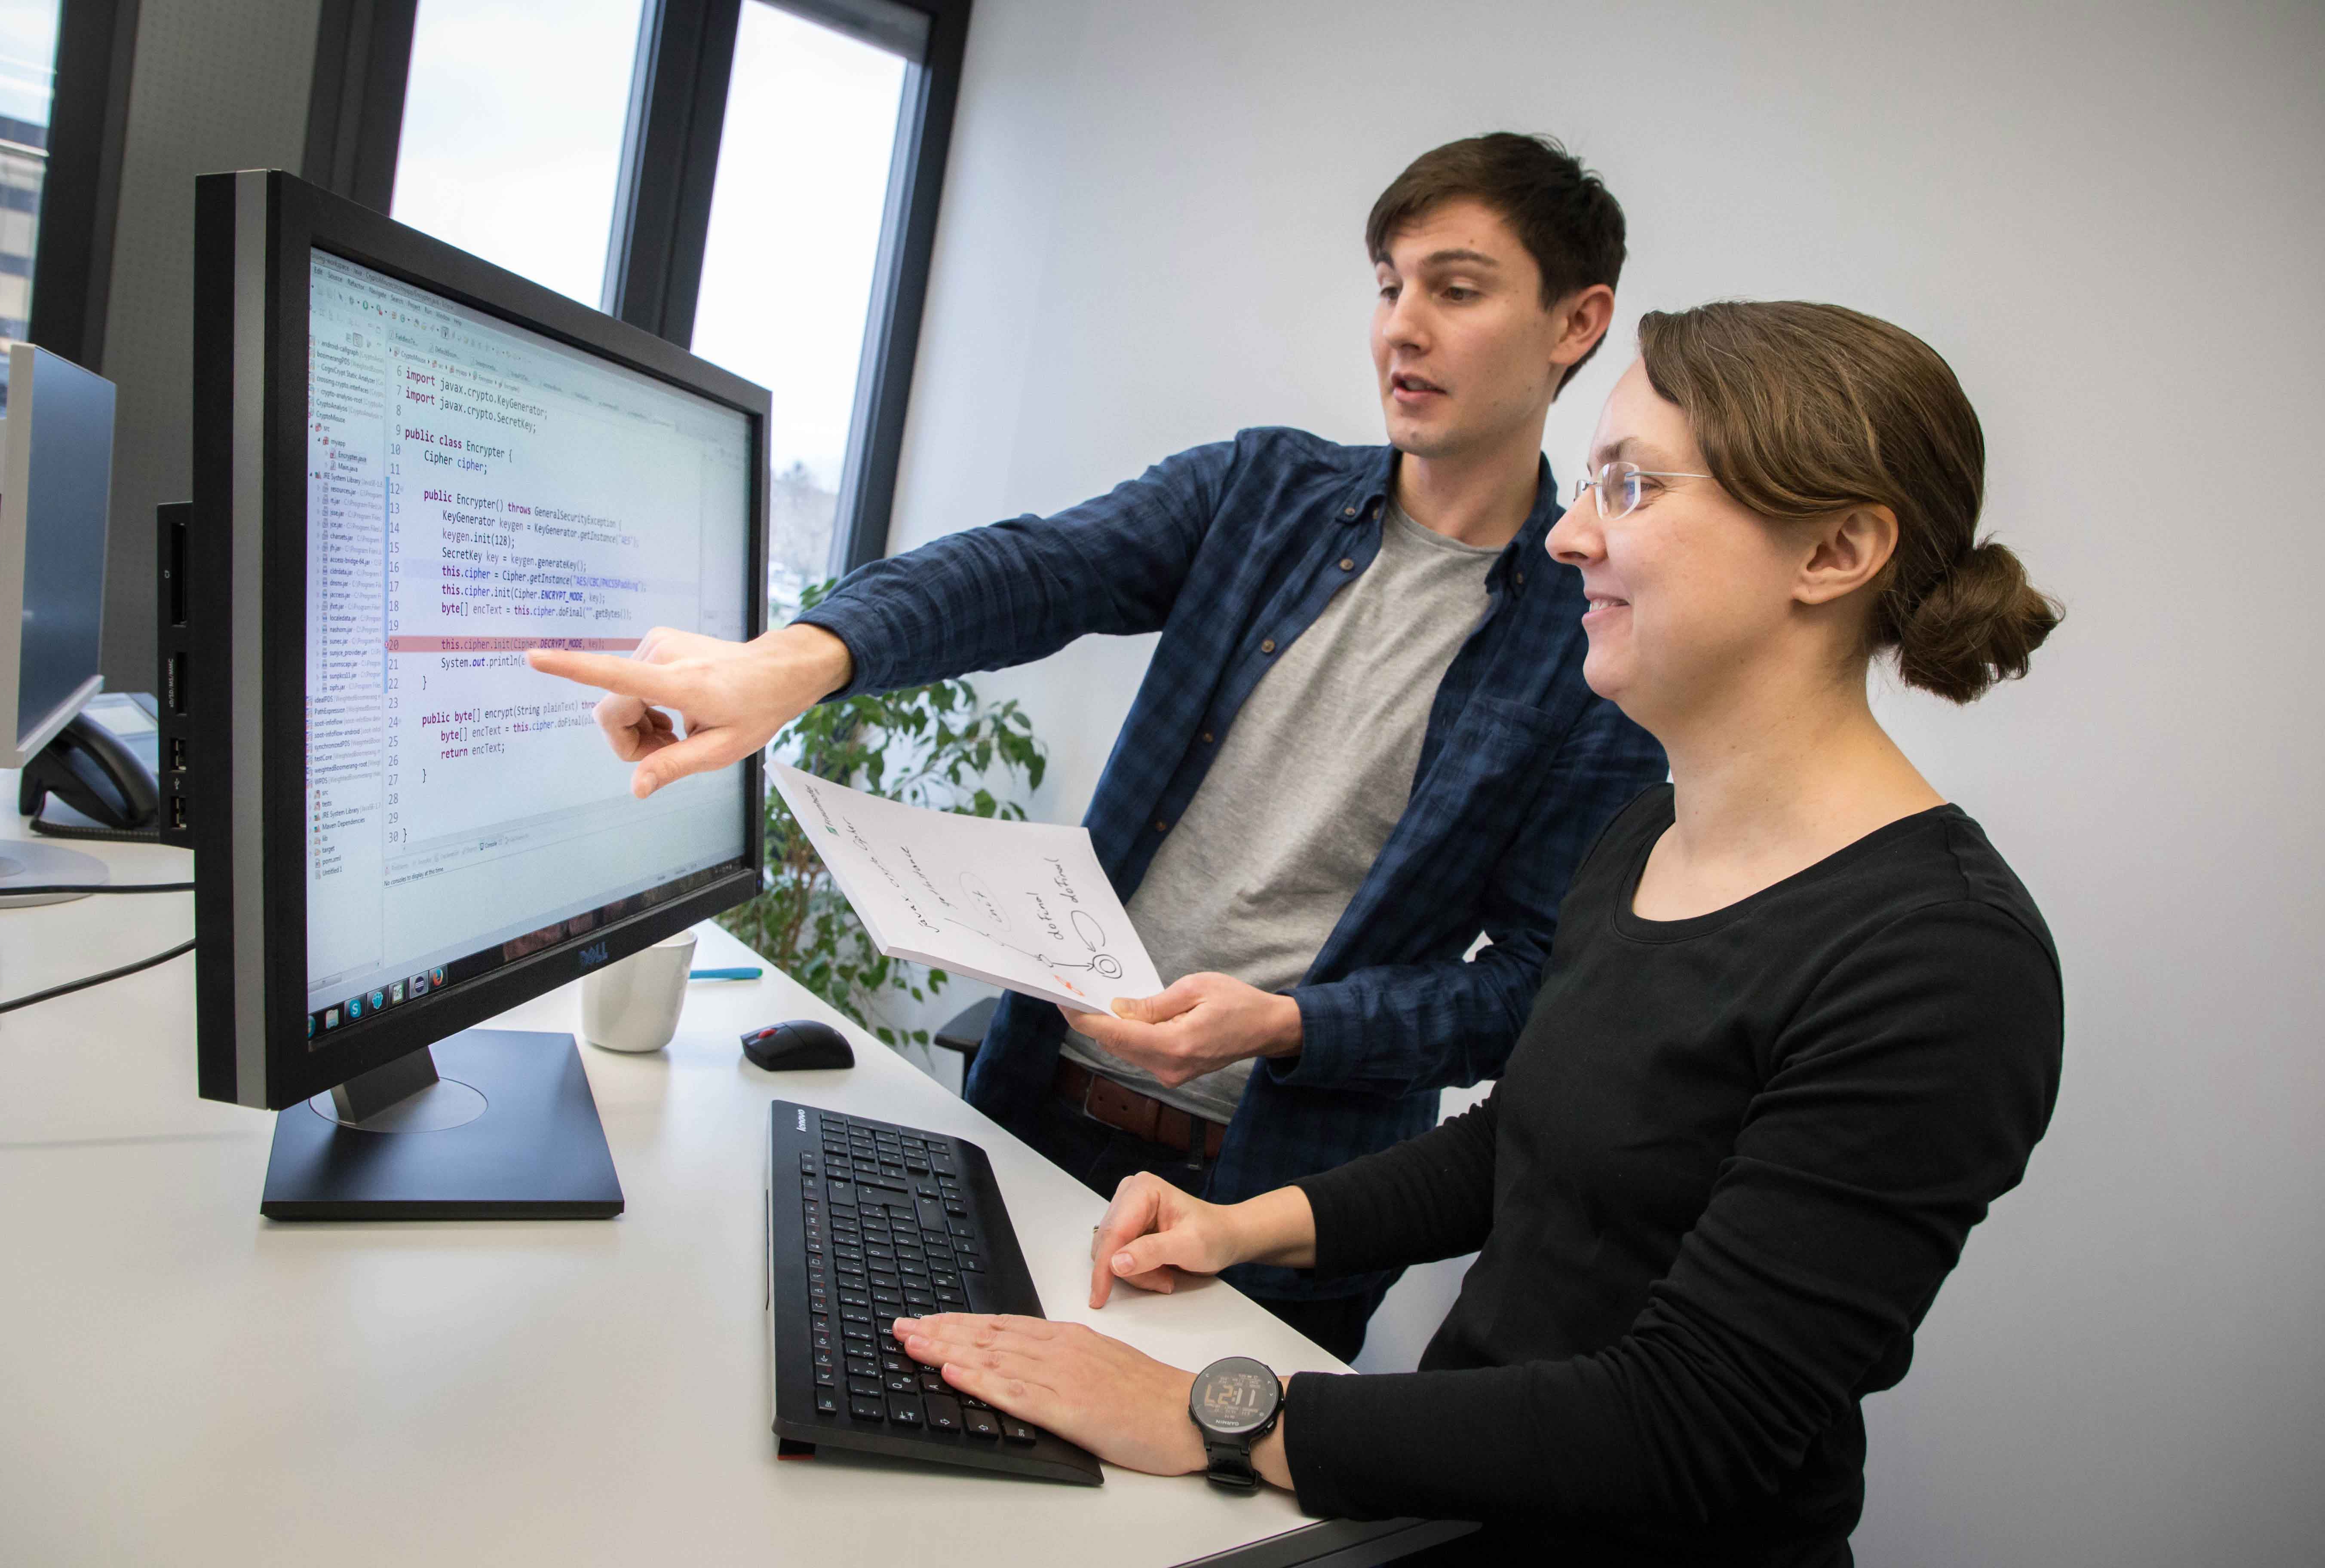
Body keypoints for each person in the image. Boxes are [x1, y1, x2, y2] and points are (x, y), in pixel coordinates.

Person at [880, 300, 2068, 1566]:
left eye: (1633, 487)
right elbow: (1522, 1147)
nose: (1568, 533)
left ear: (1835, 551)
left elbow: (1688, 1424)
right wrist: (1243, 1225)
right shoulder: (1646, 841)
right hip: (1438, 1513)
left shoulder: (1944, 964)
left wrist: (1213, 1417)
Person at [526, 133, 1669, 1362]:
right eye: (1388, 285)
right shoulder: (1265, 492)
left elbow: (1530, 987)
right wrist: (799, 660)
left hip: (1274, 1207)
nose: (1401, 327)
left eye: (1456, 289)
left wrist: (1290, 1024)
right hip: (1036, 1109)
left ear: (1575, 322)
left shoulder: (1591, 634)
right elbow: (1037, 568)